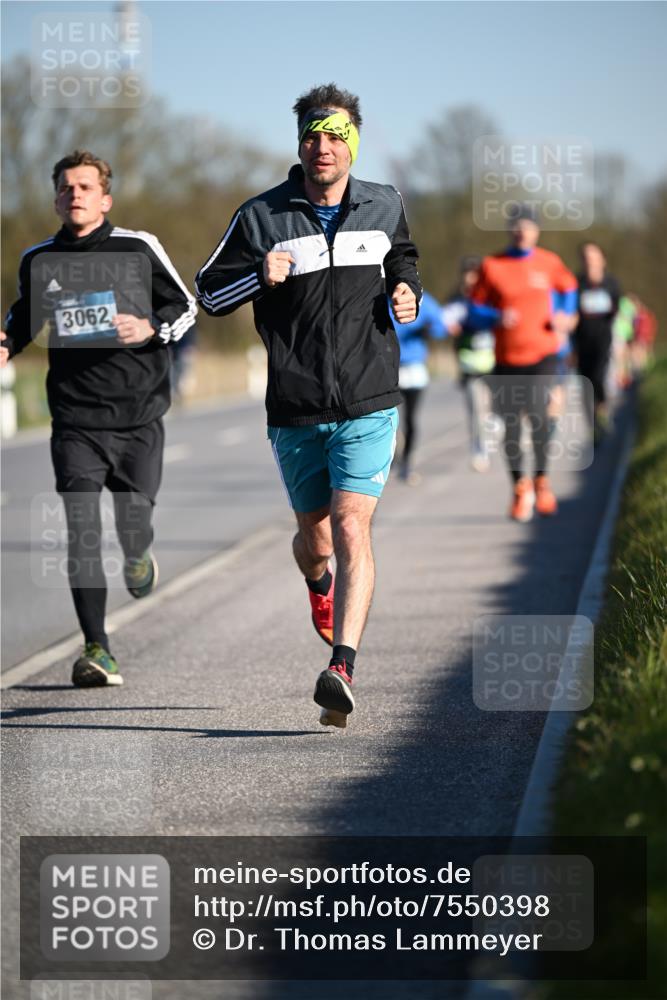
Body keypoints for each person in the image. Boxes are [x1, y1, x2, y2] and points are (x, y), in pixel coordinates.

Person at [195, 83, 420, 728]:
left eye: (336, 136)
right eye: (313, 135)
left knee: (352, 524)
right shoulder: (261, 216)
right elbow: (208, 295)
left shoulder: (384, 203)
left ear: (354, 142)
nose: (324, 147)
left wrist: (407, 289)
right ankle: (318, 583)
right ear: (299, 142)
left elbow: (403, 256)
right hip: (294, 401)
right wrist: (256, 276)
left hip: (368, 394)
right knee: (316, 538)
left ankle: (341, 666)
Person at [0, 150, 197, 686]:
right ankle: (97, 649)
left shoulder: (138, 247)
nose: (75, 194)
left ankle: (139, 554)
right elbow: (25, 316)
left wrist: (151, 328)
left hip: (139, 415)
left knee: (133, 526)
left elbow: (184, 306)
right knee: (82, 533)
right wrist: (7, 343)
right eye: (65, 187)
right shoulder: (39, 259)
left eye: (85, 186)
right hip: (75, 419)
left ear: (104, 198)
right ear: (56, 198)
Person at [472, 206, 577, 521]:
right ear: (509, 231)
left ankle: (541, 481)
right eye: (516, 227)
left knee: (539, 415)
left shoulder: (549, 262)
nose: (522, 232)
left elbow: (569, 288)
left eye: (528, 227)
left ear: (536, 231)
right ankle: (520, 488)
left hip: (543, 354)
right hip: (506, 359)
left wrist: (566, 314)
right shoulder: (492, 266)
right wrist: (496, 316)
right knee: (512, 427)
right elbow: (473, 310)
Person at [442, 255, 499, 472]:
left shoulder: (490, 298)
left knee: (494, 410)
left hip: (494, 362)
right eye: (468, 275)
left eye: (475, 275)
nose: (471, 280)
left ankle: (493, 428)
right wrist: (449, 326)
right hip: (469, 363)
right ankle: (479, 449)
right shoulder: (456, 300)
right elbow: (444, 321)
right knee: (476, 409)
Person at [393, 289, 446, 484]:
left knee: (410, 419)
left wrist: (429, 330)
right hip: (389, 367)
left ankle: (407, 463)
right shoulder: (382, 297)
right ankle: (392, 459)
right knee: (389, 420)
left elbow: (441, 328)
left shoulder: (425, 301)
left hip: (414, 368)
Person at [571, 241, 620, 440]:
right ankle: (592, 427)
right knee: (585, 385)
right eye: (586, 258)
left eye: (593, 257)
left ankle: (602, 409)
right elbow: (570, 312)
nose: (590, 262)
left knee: (599, 378)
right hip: (581, 342)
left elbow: (617, 309)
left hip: (603, 340)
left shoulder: (611, 283)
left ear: (602, 259)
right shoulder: (576, 283)